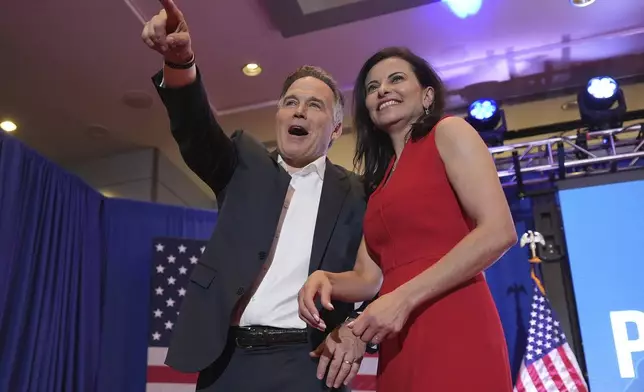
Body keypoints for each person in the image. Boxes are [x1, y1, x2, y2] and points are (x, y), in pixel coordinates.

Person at [141, 1, 371, 390]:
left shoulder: (359, 193)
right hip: (228, 362)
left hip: (310, 363)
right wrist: (180, 63)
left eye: (315, 105)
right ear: (278, 117)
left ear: (335, 130)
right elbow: (196, 130)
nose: (298, 111)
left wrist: (355, 328)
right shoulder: (243, 165)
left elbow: (380, 274)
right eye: (290, 103)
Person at [298, 46, 518, 391]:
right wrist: (326, 279)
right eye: (372, 88)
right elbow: (370, 278)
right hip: (397, 337)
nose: (382, 90)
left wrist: (402, 299)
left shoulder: (449, 132)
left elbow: (498, 232)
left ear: (427, 95)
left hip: (455, 319)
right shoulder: (379, 182)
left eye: (396, 79)